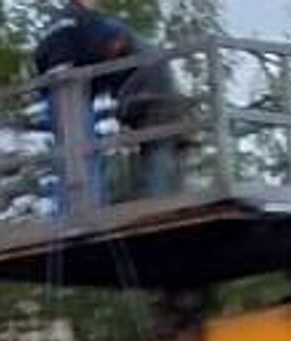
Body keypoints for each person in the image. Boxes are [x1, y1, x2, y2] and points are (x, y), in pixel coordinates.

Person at [32, 0, 183, 201]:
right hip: (139, 94)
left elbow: (41, 58)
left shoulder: (60, 24)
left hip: (132, 93)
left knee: (77, 155)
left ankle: (89, 204)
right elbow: (115, 41)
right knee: (84, 156)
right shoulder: (89, 20)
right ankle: (158, 199)